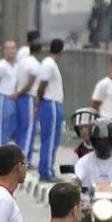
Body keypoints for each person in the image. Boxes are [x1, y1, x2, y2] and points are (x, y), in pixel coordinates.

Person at [33, 39, 66, 181]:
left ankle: (49, 169)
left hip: (54, 103)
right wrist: (38, 101)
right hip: (50, 103)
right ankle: (45, 171)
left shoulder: (51, 64)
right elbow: (43, 84)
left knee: (54, 139)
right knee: (49, 139)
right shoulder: (48, 64)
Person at [74, 118, 112, 189]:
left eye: (106, 140)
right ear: (92, 140)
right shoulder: (84, 161)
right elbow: (77, 178)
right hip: (89, 199)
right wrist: (72, 185)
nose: (102, 144)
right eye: (98, 140)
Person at [0, 40, 18, 148]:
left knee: (12, 126)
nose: (12, 51)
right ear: (4, 51)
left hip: (13, 99)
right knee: (2, 127)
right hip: (3, 98)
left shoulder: (16, 66)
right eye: (9, 48)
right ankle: (1, 150)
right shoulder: (1, 66)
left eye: (13, 48)